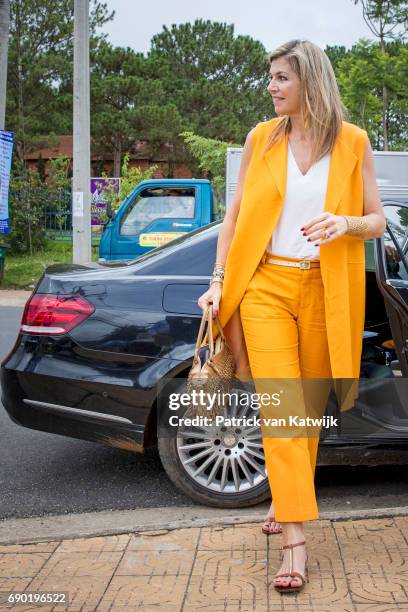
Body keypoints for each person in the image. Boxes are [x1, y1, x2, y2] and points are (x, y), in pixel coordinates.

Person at [197, 39, 386, 593]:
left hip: (327, 289)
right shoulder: (262, 138)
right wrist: (217, 281)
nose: (272, 87)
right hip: (266, 286)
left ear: (310, 81)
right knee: (281, 408)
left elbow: (375, 220)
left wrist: (344, 224)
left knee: (305, 411)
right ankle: (296, 545)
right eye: (271, 78)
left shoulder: (352, 142)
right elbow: (233, 217)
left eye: (281, 78)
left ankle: (285, 500)